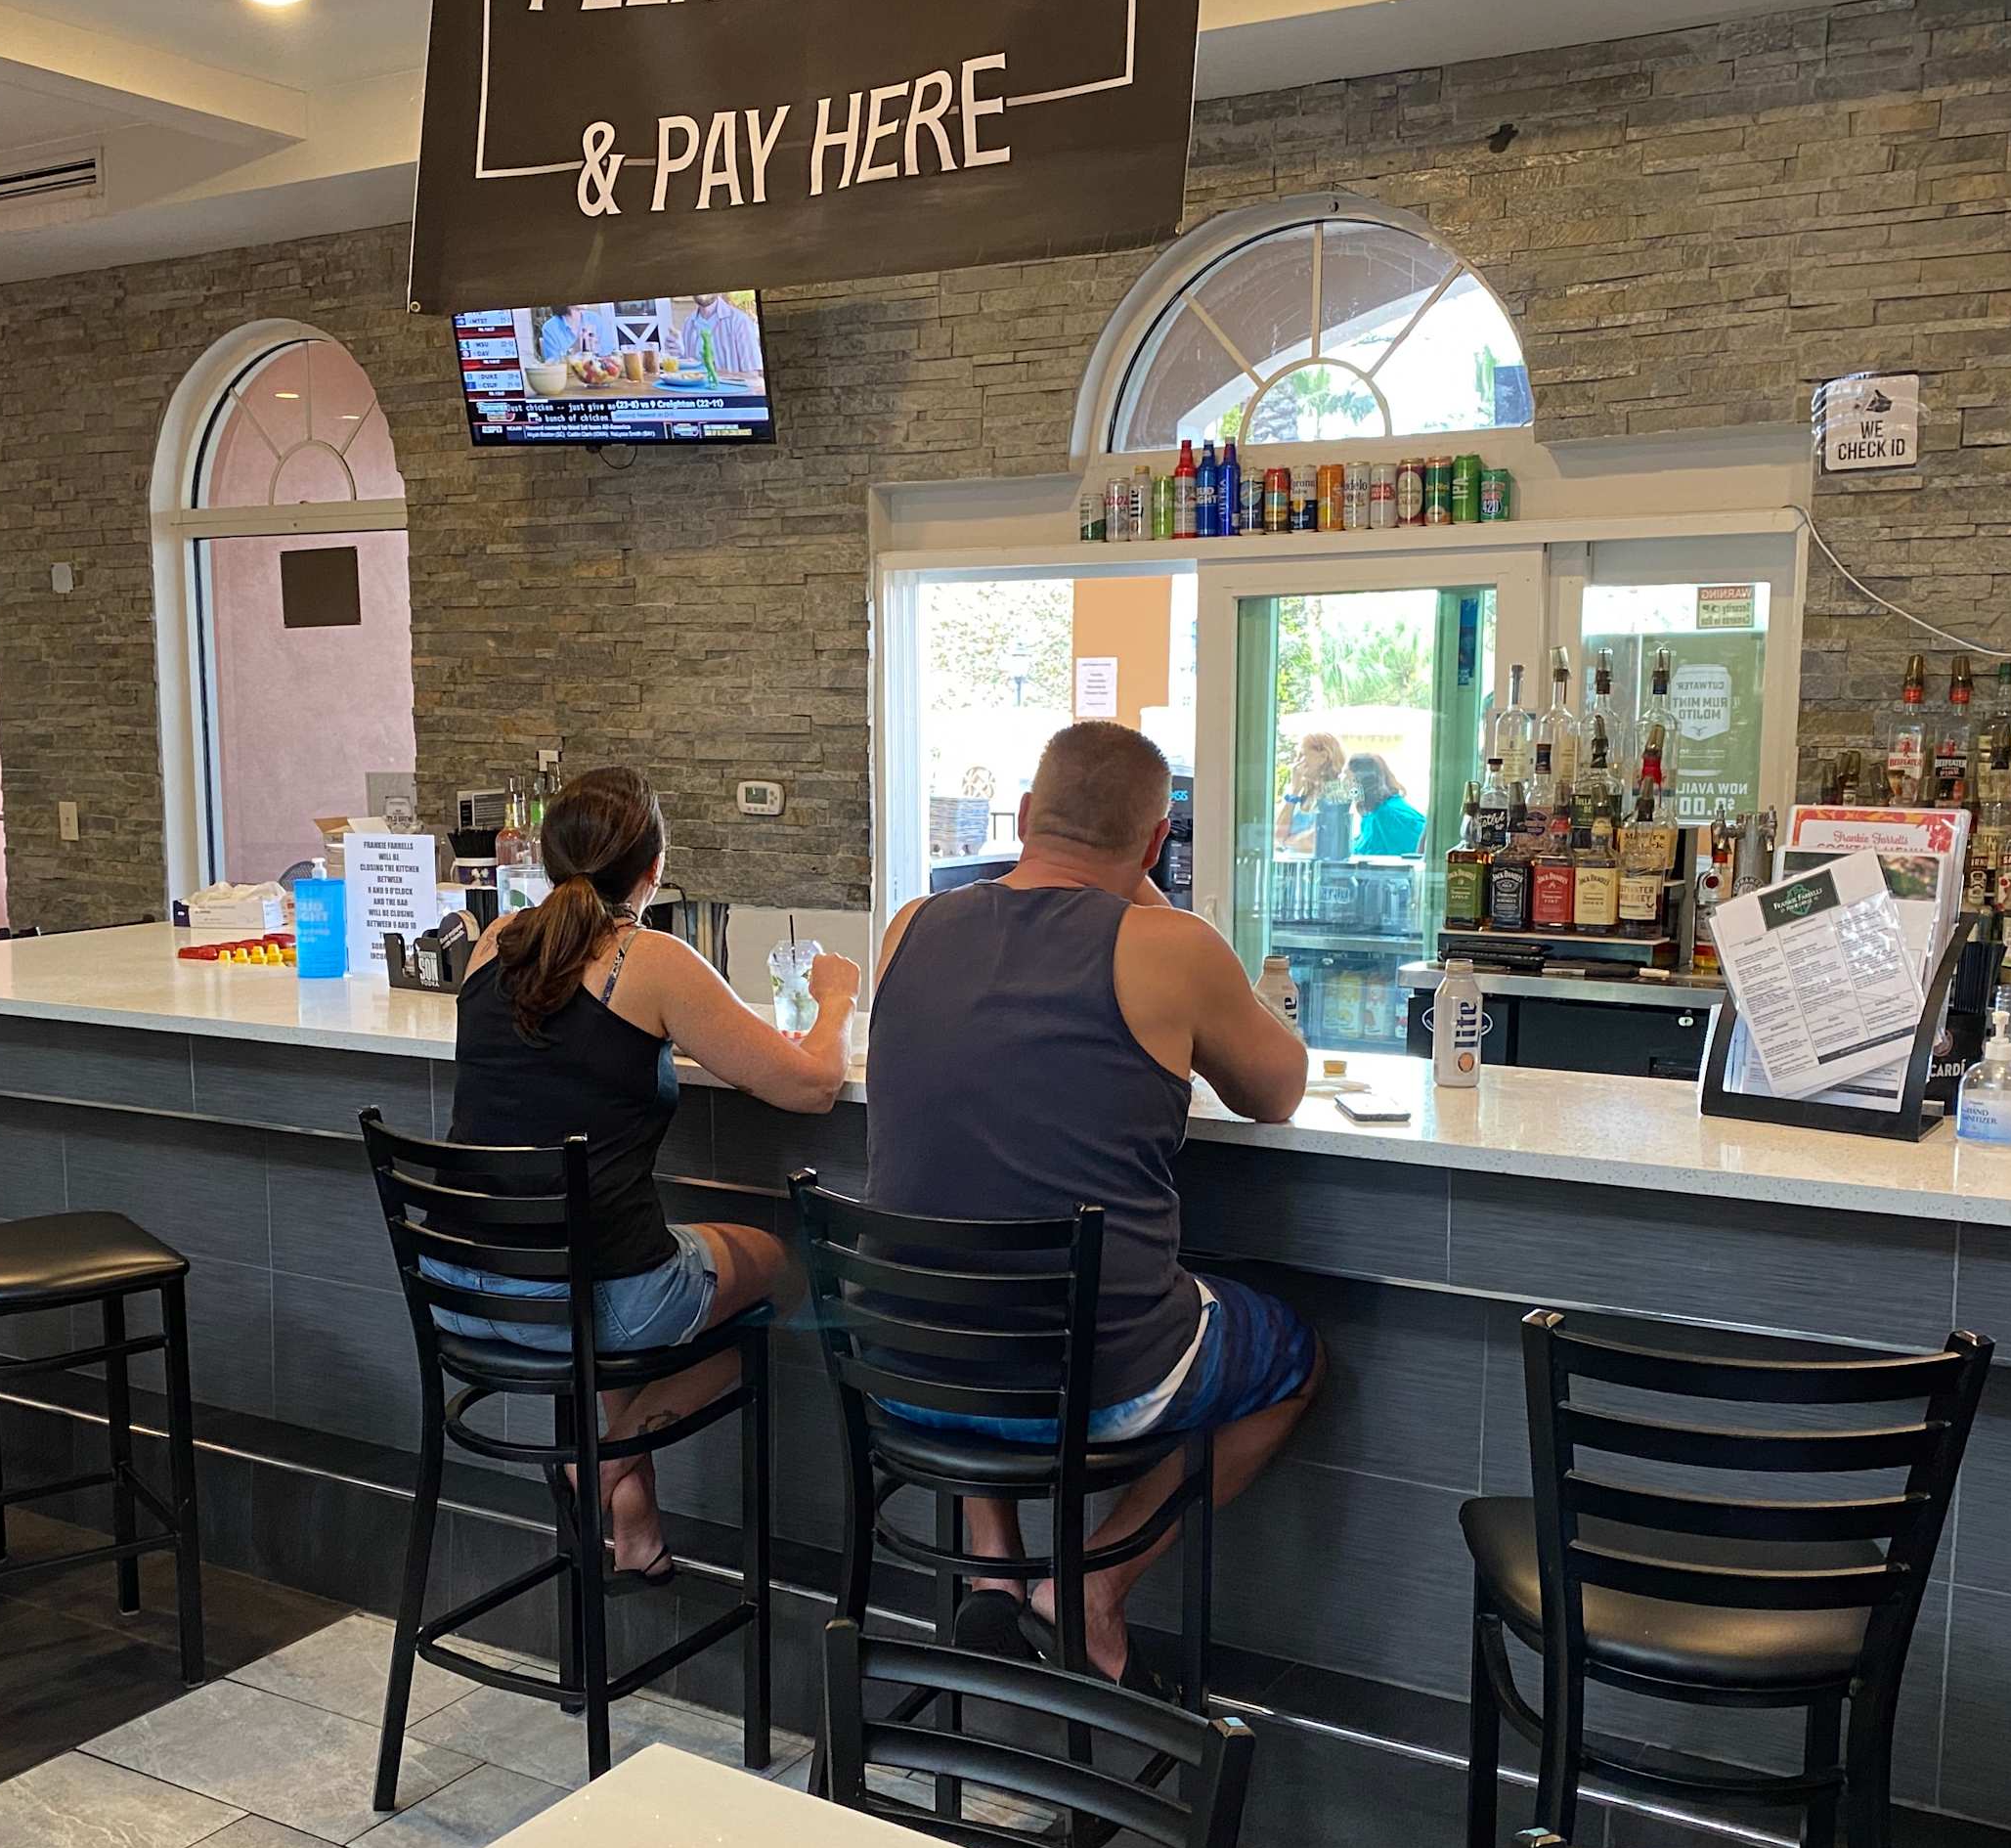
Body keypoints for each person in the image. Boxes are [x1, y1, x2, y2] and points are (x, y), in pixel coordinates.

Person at [867, 721, 1322, 1694]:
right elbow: (1277, 1091)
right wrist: (1146, 894)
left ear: (1025, 815)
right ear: (1156, 843)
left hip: (903, 1369)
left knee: (975, 1256)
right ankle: (1088, 1590)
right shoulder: (1173, 947)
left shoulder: (910, 926)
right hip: (1096, 1388)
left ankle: (994, 1568)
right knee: (1294, 1358)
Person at [428, 767, 859, 1587]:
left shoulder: (494, 942)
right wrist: (835, 1000)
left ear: (547, 857)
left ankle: (636, 1526)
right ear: (654, 868)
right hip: (583, 1298)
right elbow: (810, 1087)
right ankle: (601, 1464)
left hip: (459, 1285)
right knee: (783, 1272)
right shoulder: (649, 960)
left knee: (617, 1266)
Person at [1274, 731, 1347, 856]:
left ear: (1323, 757)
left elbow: (1319, 839)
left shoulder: (1339, 792)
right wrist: (1294, 792)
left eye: (1302, 755)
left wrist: (1285, 842)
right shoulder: (1302, 792)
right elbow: (1278, 834)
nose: (1296, 761)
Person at [1346, 751, 1427, 858]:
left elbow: (1419, 853)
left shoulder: (1389, 814)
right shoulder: (1371, 814)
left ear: (1363, 782)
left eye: (1349, 780)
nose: (1345, 786)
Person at [672, 292, 765, 382]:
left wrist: (712, 374)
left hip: (731, 393)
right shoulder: (688, 323)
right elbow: (688, 370)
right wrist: (677, 353)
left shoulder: (739, 321)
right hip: (696, 393)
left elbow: (753, 375)